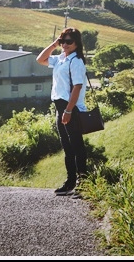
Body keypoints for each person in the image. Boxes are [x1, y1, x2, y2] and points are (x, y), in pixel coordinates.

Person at [37, 27, 88, 198]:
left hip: (70, 107)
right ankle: (70, 182)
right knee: (67, 147)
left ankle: (84, 184)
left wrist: (68, 110)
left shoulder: (76, 61)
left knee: (77, 145)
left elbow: (77, 86)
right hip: (60, 107)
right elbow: (40, 59)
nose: (65, 44)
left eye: (69, 41)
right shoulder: (61, 58)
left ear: (76, 43)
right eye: (63, 41)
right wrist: (54, 44)